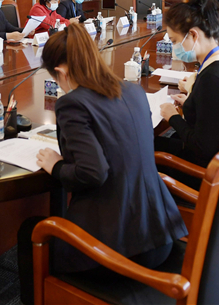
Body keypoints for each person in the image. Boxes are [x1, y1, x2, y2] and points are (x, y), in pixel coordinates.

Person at [17, 24, 187, 304]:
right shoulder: (132, 90)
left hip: (118, 251)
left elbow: (93, 173)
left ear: (61, 71)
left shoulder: (72, 104)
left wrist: (56, 166)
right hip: (160, 234)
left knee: (31, 231)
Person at [154, 0, 219, 190]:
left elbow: (201, 147)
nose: (174, 47)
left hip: (212, 175)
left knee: (144, 150)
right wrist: (191, 103)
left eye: (174, 41)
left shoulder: (213, 78)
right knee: (155, 143)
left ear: (193, 34)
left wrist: (172, 116)